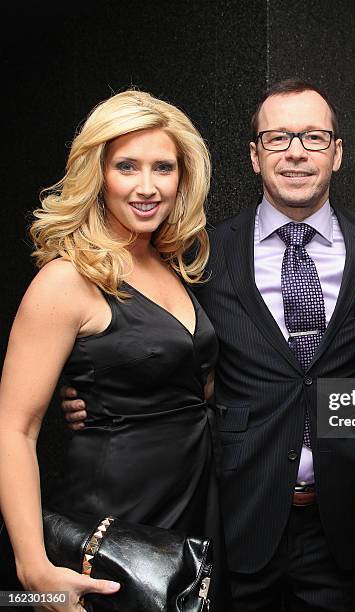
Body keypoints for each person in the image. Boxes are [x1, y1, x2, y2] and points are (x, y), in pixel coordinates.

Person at [63, 78, 355, 611]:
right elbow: (158, 342)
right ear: (253, 155)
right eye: (277, 138)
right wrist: (94, 390)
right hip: (238, 516)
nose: (296, 152)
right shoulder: (201, 254)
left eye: (314, 137)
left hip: (345, 521)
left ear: (337, 153)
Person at [0, 90, 225, 609]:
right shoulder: (66, 280)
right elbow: (15, 428)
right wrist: (32, 566)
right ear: (98, 175)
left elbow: (188, 381)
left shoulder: (173, 267)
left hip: (189, 509)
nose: (147, 187)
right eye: (127, 166)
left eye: (163, 168)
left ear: (182, 178)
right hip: (111, 522)